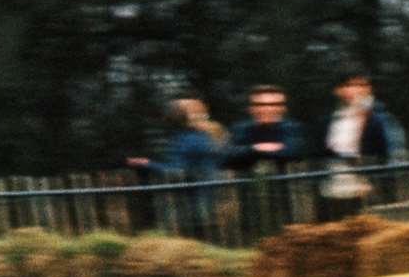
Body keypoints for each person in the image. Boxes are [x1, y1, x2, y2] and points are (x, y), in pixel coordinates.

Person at [126, 96, 229, 236]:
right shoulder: (209, 135)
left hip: (196, 205)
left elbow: (178, 171)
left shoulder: (188, 139)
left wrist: (148, 164)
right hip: (214, 199)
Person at [319, 67, 406, 165]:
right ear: (338, 90)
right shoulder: (330, 120)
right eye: (350, 85)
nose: (358, 90)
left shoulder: (381, 119)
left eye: (362, 85)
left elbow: (394, 157)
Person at [222, 84, 309, 172]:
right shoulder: (241, 129)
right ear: (251, 108)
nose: (267, 109)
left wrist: (250, 152)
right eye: (260, 104)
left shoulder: (293, 128)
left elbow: (294, 151)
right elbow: (226, 157)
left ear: (283, 108)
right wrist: (255, 148)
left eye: (274, 105)